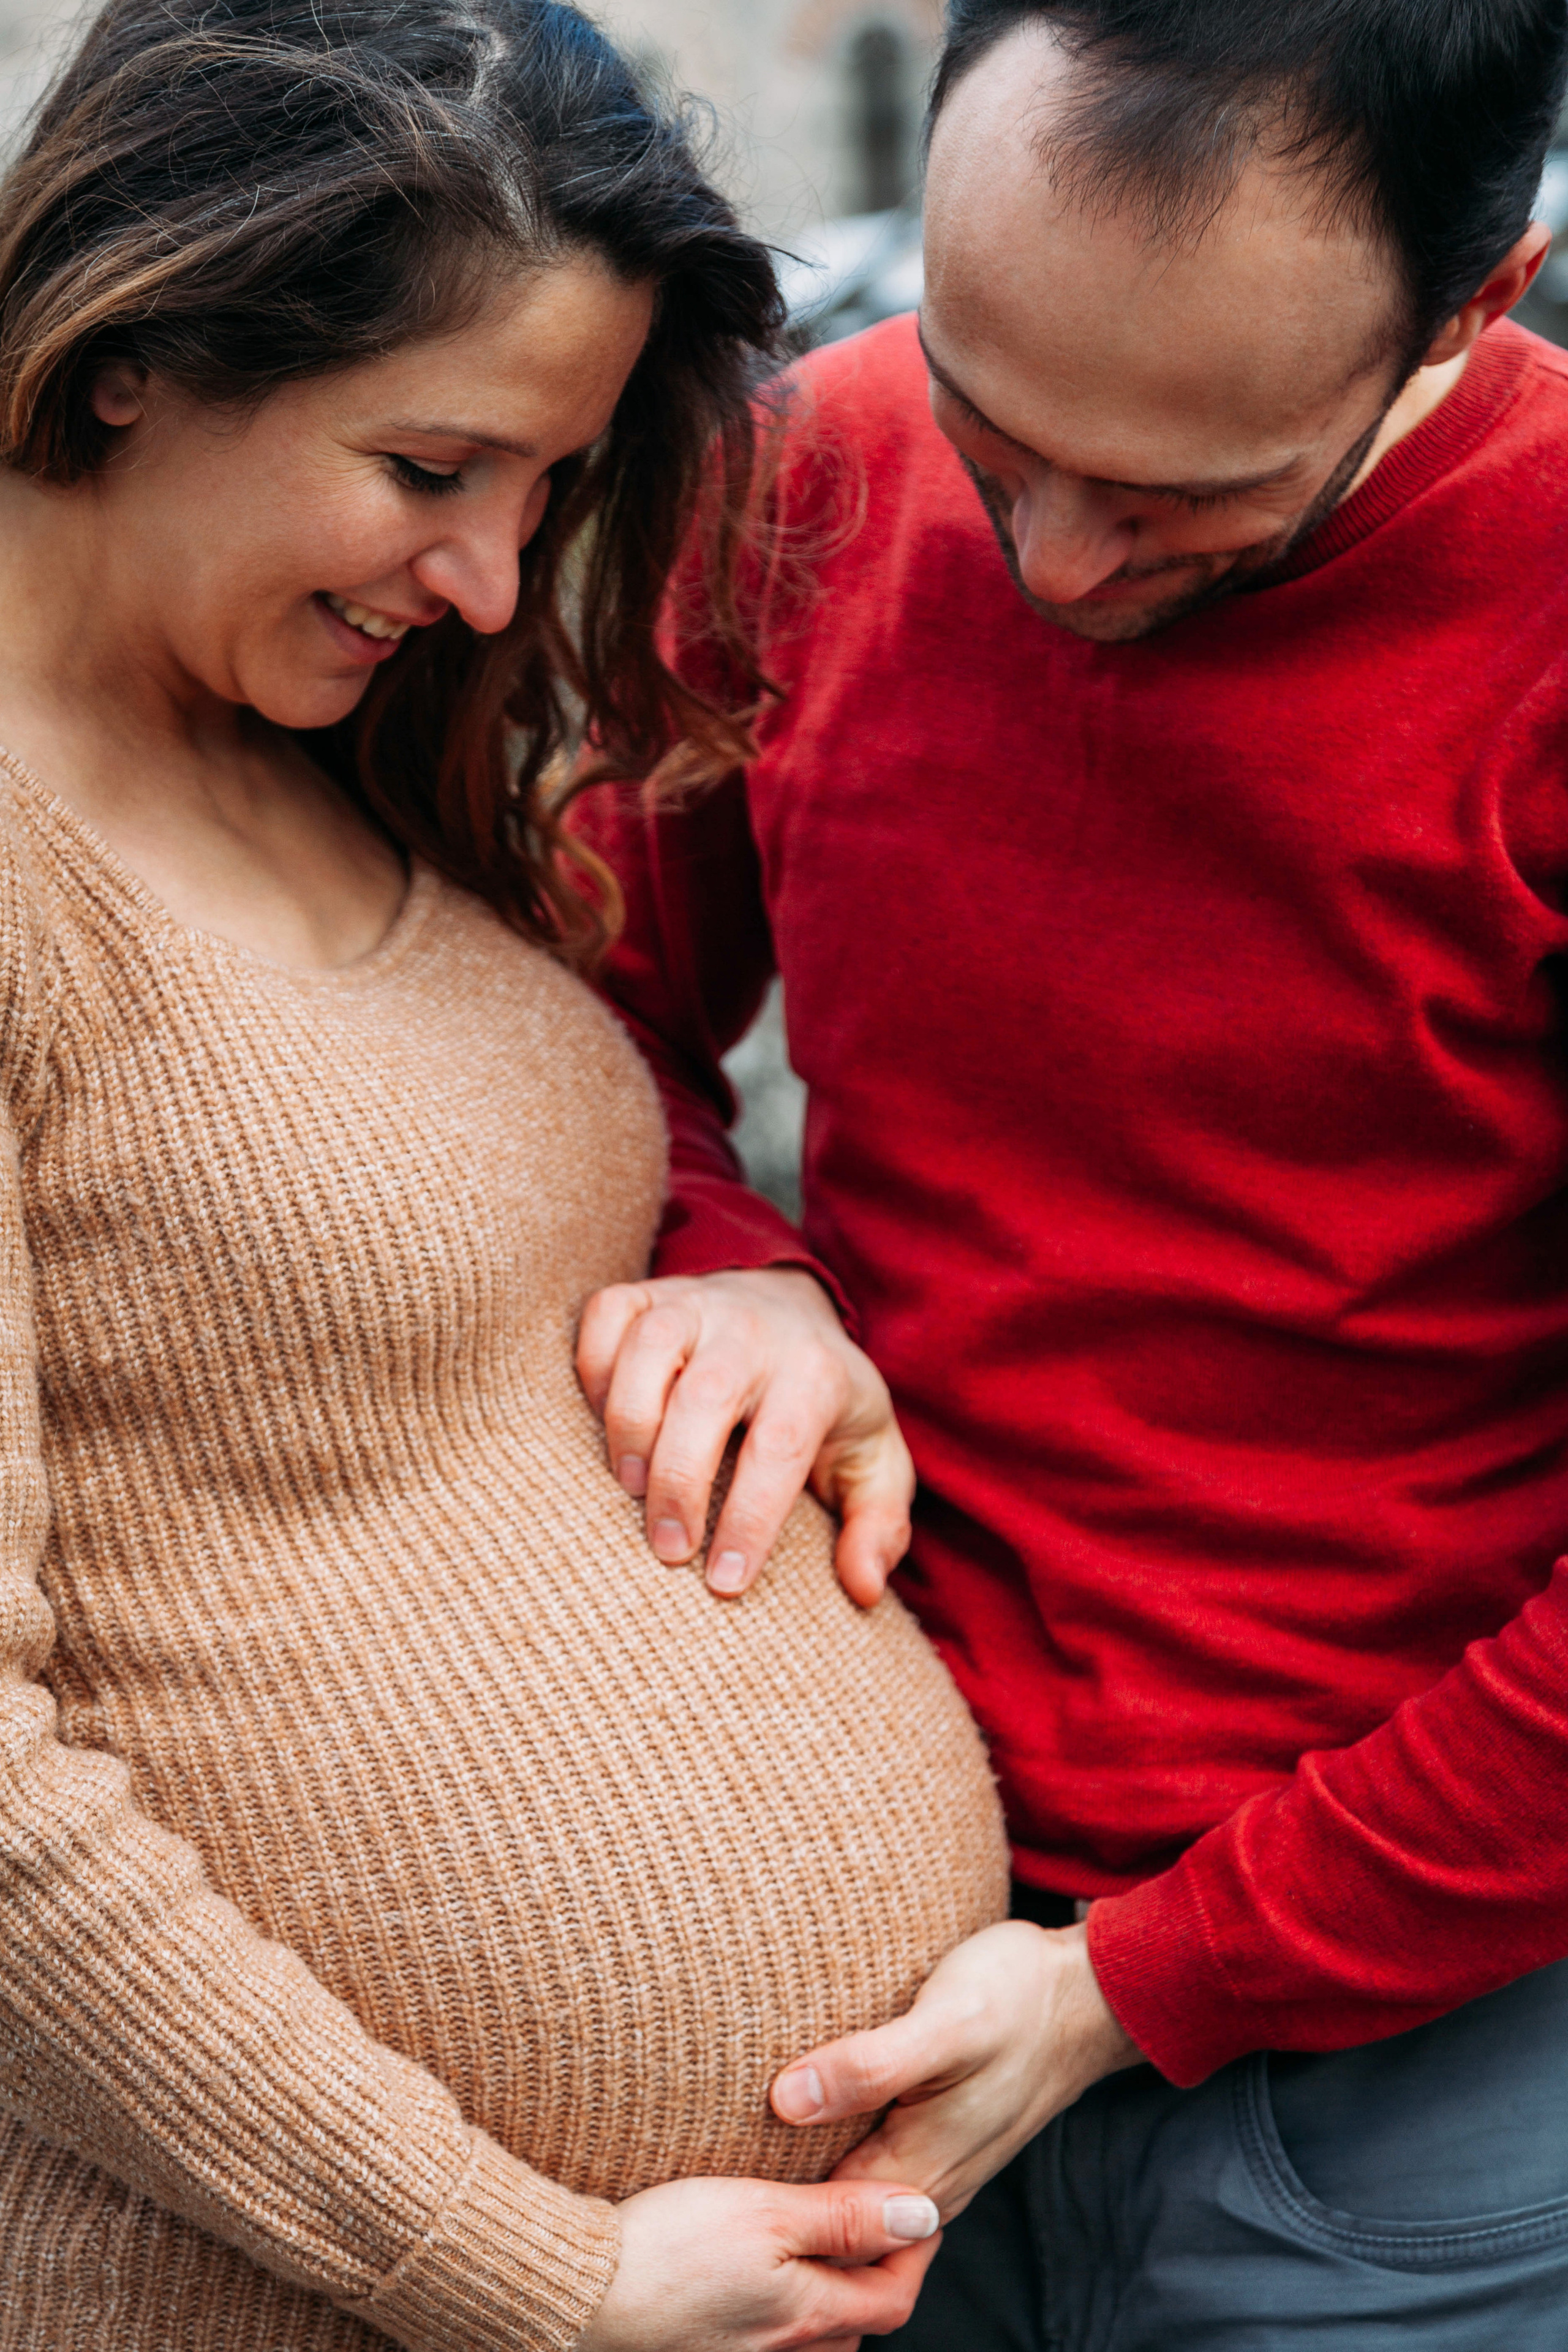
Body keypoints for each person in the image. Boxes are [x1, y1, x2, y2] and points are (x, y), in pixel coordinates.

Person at [0, 2, 1012, 2346]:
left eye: (541, 487)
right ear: (138, 345)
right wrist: (526, 2272)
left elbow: (464, 1201)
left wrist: (749, 1280)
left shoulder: (306, 722)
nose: (486, 577)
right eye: (433, 463)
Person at [575, 0, 1568, 2340]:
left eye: (1190, 498)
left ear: (1472, 307)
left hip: (1417, 2055)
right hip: (850, 1936)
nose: (1051, 553)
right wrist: (731, 1252)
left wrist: (1144, 1979)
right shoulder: (808, 463)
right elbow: (577, 1006)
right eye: (993, 427)